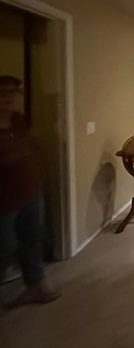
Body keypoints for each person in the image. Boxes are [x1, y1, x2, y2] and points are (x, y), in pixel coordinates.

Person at [0, 75, 60, 308]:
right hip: (4, 201)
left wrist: (41, 177)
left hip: (31, 193)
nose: (7, 98)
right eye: (2, 93)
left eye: (12, 93)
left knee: (32, 240)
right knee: (5, 246)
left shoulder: (19, 122)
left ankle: (36, 286)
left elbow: (30, 151)